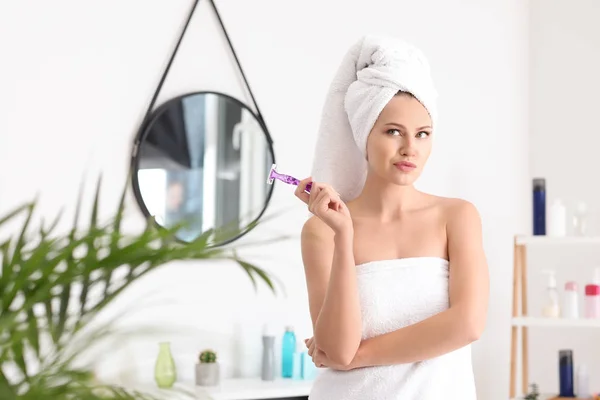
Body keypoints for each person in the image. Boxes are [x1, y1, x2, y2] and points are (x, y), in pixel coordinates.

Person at [294, 35, 489, 399]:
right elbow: (337, 349)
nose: (409, 148)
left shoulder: (457, 217)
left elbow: (467, 324)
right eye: (393, 131)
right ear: (364, 134)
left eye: (423, 134)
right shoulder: (322, 232)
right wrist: (344, 235)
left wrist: (357, 358)